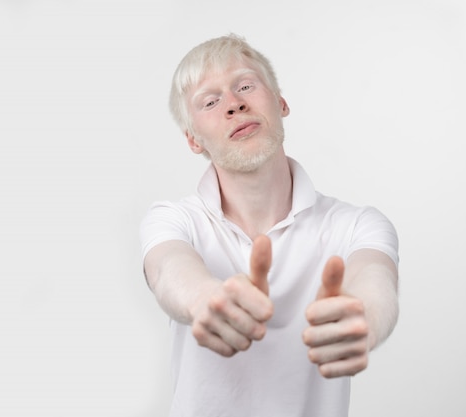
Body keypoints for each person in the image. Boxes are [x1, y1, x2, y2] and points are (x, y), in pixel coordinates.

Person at [139, 34, 399, 417]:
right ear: (194, 140)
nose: (234, 104)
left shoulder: (357, 225)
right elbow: (168, 268)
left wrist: (364, 317)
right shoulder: (174, 220)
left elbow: (376, 279)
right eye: (210, 102)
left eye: (245, 85)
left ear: (280, 103)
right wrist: (204, 299)